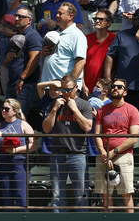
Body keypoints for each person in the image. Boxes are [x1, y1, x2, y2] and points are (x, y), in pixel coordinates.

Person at [42, 73, 93, 212]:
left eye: (69, 89)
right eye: (63, 90)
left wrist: (75, 109)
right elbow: (46, 129)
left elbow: (88, 127)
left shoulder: (84, 105)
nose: (65, 93)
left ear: (76, 88)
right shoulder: (55, 104)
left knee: (81, 195)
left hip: (78, 155)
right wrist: (54, 109)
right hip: (58, 154)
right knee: (57, 195)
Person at [94, 77, 139, 212]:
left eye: (119, 87)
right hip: (104, 155)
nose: (115, 88)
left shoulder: (132, 110)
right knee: (106, 194)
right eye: (114, 86)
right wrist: (104, 153)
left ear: (125, 92)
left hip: (124, 155)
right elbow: (97, 134)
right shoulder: (102, 110)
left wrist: (112, 153)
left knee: (126, 193)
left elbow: (133, 138)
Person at [0, 98, 37, 211]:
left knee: (21, 197)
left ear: (15, 111)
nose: (3, 111)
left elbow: (33, 145)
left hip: (20, 164)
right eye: (2, 109)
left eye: (6, 109)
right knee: (7, 197)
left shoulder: (24, 125)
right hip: (3, 164)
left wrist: (16, 150)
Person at [103, 8, 139, 114]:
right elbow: (110, 55)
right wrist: (107, 77)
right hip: (123, 86)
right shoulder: (122, 35)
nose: (135, 18)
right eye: (134, 15)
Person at [40, 2, 88, 91]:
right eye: (57, 13)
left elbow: (80, 62)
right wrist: (45, 52)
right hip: (50, 87)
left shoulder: (77, 35)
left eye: (61, 13)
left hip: (64, 90)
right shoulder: (56, 33)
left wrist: (69, 87)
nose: (57, 15)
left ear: (70, 16)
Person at [5, 7, 44, 115]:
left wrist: (22, 78)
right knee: (9, 117)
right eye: (16, 16)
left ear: (29, 20)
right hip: (12, 83)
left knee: (19, 117)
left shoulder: (33, 36)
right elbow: (6, 63)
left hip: (25, 84)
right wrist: (7, 58)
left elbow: (35, 59)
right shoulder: (16, 36)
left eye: (21, 16)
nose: (16, 18)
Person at [83, 9, 115, 93]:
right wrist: (83, 85)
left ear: (109, 23)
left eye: (101, 19)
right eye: (95, 19)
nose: (97, 21)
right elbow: (81, 64)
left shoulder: (115, 40)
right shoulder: (86, 39)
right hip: (88, 88)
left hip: (106, 89)